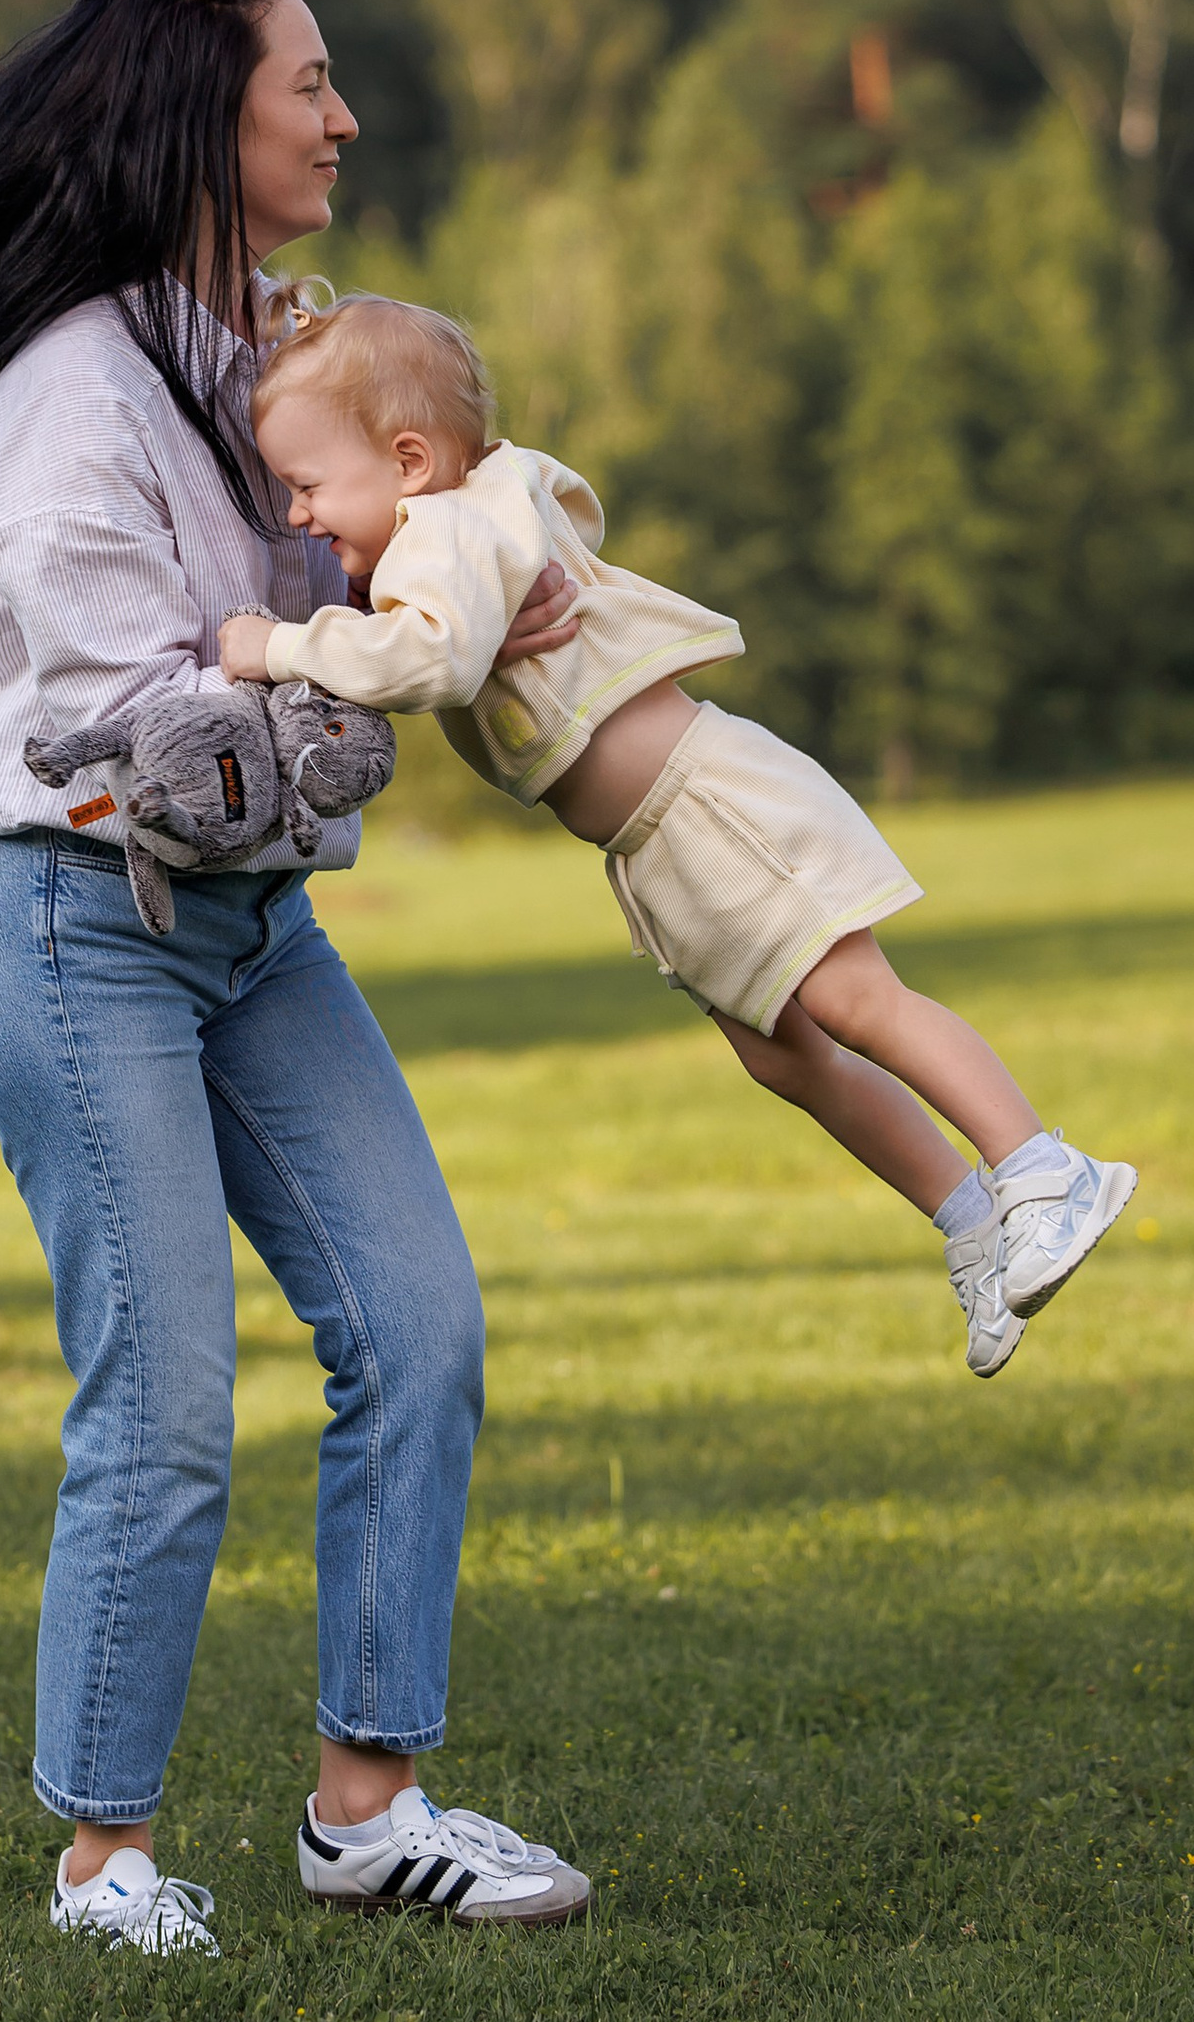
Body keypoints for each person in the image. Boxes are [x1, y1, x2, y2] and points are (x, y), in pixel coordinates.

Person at [0, 0, 597, 1957]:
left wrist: (482, 584)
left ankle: (368, 1808)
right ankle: (101, 1860)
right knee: (166, 1400)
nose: (343, 116)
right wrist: (365, 693)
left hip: (253, 940)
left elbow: (404, 541)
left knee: (417, 1331)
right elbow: (166, 752)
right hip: (82, 927)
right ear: (209, 117)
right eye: (308, 86)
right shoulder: (68, 405)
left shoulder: (264, 353)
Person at [217, 292, 1138, 1379]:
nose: (297, 514)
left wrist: (278, 645)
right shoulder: (462, 522)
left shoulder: (448, 533)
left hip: (708, 804)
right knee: (783, 1058)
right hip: (654, 848)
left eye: (309, 486)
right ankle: (972, 1225)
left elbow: (432, 664)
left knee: (855, 1000)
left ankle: (1040, 1166)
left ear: (410, 461)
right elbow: (548, 536)